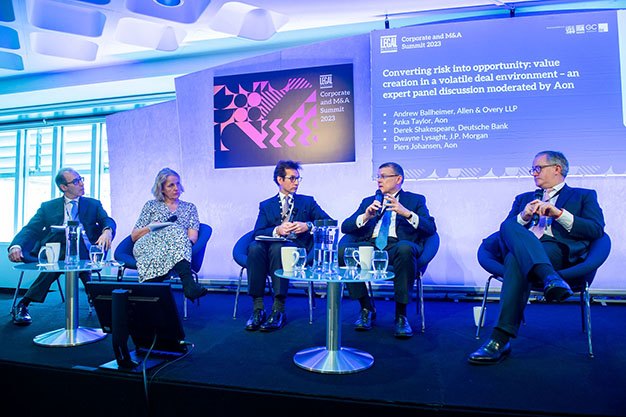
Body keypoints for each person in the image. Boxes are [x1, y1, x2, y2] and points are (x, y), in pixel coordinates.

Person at [468, 151, 605, 365]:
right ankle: (550, 277)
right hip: (525, 249)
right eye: (533, 169)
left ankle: (500, 339)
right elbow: (506, 232)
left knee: (514, 260)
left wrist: (560, 214)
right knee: (509, 228)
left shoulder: (584, 195)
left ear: (557, 169)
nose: (534, 173)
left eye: (538, 168)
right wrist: (524, 216)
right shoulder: (523, 198)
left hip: (557, 250)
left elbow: (596, 230)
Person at [8, 168, 116, 326]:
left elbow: (107, 220)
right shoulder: (48, 207)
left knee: (73, 253)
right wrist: (16, 245)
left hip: (86, 250)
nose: (81, 184)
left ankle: (24, 303)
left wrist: (107, 231)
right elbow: (31, 229)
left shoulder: (93, 204)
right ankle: (95, 296)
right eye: (76, 181)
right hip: (56, 251)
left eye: (81, 179)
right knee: (64, 256)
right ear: (64, 187)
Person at [340, 162, 437, 338]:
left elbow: (430, 228)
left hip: (398, 247)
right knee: (343, 251)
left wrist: (406, 213)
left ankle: (401, 315)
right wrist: (366, 216)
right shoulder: (369, 201)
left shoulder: (415, 200)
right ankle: (366, 308)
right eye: (378, 176)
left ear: (398, 179)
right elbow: (345, 227)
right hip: (372, 246)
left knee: (405, 248)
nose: (379, 180)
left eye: (384, 176)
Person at [245, 160, 332, 332]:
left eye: (298, 178)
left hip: (296, 248)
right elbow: (258, 232)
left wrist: (308, 225)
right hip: (269, 248)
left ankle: (278, 309)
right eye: (292, 178)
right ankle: (258, 308)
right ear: (280, 179)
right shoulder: (266, 205)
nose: (296, 182)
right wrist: (277, 229)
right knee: (254, 247)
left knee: (279, 249)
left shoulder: (307, 202)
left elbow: (328, 221)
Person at [131, 168, 207, 301]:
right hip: (149, 246)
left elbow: (192, 237)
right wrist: (150, 227)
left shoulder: (190, 208)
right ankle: (188, 284)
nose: (176, 188)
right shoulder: (150, 206)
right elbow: (134, 236)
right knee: (173, 228)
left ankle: (152, 288)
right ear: (161, 189)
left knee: (175, 229)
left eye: (177, 184)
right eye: (171, 185)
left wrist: (178, 244)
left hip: (176, 246)